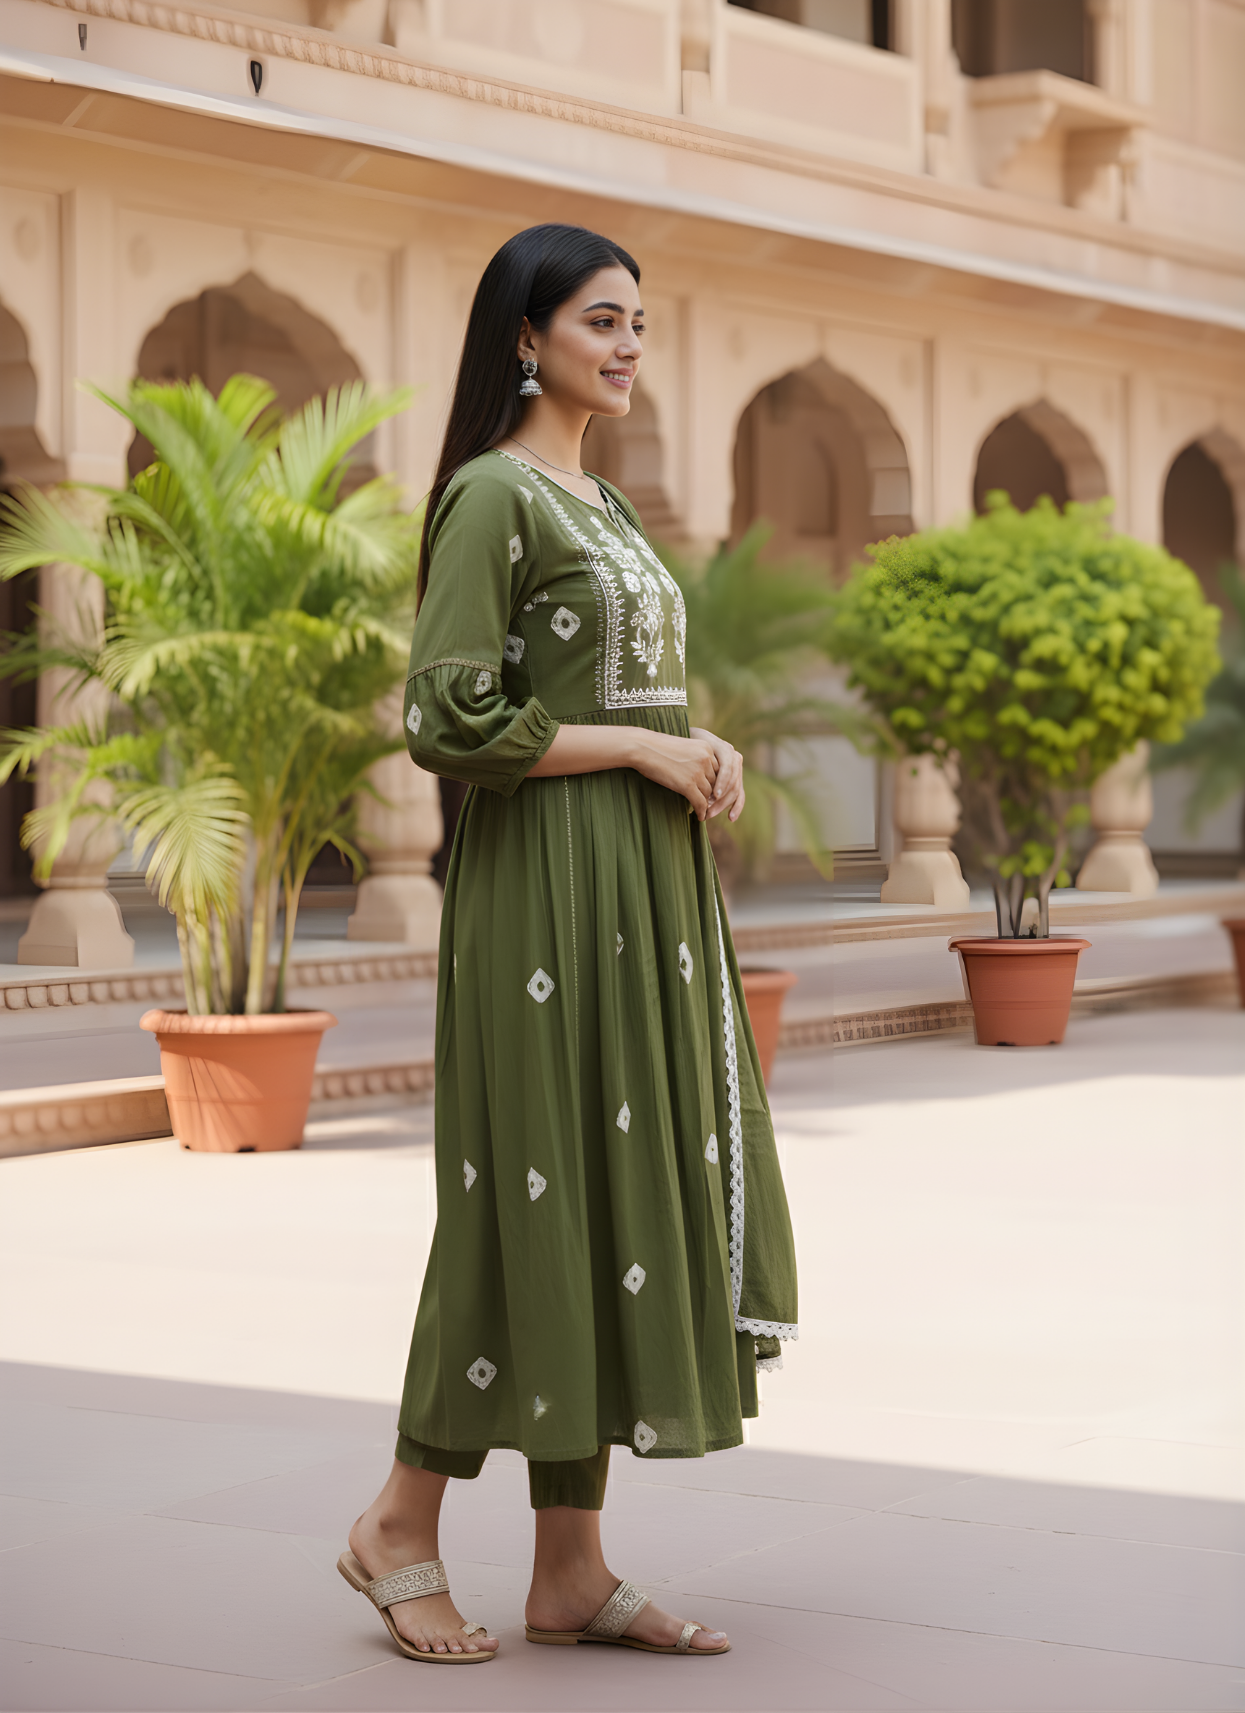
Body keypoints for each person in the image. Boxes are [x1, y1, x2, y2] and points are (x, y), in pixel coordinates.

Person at [339, 223, 797, 1663]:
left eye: (639, 326)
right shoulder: (493, 496)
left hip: (640, 896)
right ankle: (397, 1525)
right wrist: (644, 757)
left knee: (600, 1196)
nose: (625, 347)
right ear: (525, 336)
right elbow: (446, 718)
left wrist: (694, 750)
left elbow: (625, 704)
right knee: (519, 1196)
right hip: (542, 891)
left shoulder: (605, 505)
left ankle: (568, 1571)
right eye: (601, 321)